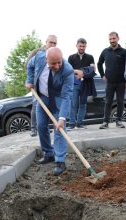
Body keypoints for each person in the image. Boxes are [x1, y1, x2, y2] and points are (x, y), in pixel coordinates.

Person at [26, 47, 74, 176]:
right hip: (42, 98)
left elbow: (66, 96)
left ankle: (60, 161)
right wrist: (29, 80)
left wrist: (62, 118)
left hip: (58, 100)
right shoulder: (37, 58)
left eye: (59, 62)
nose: (57, 66)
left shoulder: (68, 70)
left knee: (60, 128)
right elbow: (29, 66)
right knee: (41, 125)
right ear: (46, 59)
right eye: (53, 63)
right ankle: (48, 153)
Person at [27, 35, 57, 137]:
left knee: (47, 107)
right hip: (37, 87)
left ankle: (44, 128)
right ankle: (33, 129)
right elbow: (29, 66)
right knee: (36, 106)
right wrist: (29, 80)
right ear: (46, 42)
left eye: (55, 43)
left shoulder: (55, 55)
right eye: (50, 42)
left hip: (49, 88)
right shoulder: (39, 55)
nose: (52, 45)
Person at [97, 32, 126, 129]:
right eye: (110, 39)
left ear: (118, 38)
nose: (112, 41)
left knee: (120, 101)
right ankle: (105, 122)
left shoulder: (124, 52)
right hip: (109, 82)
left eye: (113, 38)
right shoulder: (105, 51)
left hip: (121, 82)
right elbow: (99, 63)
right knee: (108, 101)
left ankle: (119, 121)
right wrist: (102, 75)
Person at [67, 38, 96, 130]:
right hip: (74, 84)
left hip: (85, 84)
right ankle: (72, 124)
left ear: (86, 46)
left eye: (83, 46)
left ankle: (79, 123)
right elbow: (68, 70)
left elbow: (93, 70)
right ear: (77, 46)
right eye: (80, 46)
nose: (82, 48)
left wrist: (82, 74)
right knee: (73, 104)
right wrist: (77, 71)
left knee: (83, 104)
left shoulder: (90, 57)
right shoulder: (71, 57)